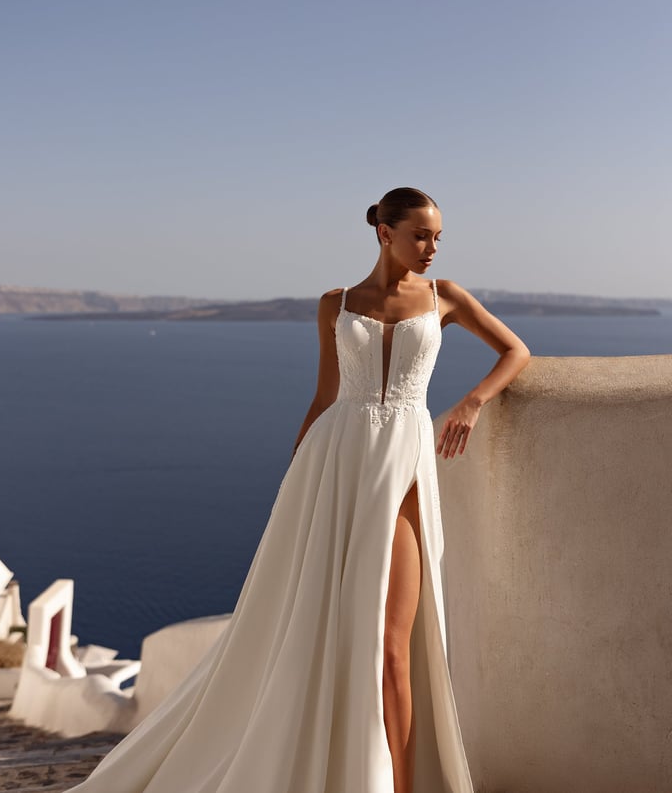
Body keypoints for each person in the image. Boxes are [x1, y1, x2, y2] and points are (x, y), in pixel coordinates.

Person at [66, 187, 531, 793]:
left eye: (438, 236)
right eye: (421, 235)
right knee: (325, 631)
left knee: (393, 646)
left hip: (406, 471)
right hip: (334, 469)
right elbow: (324, 399)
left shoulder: (447, 299)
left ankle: (406, 784)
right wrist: (297, 480)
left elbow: (515, 351)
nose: (432, 248)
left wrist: (471, 403)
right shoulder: (335, 304)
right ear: (384, 234)